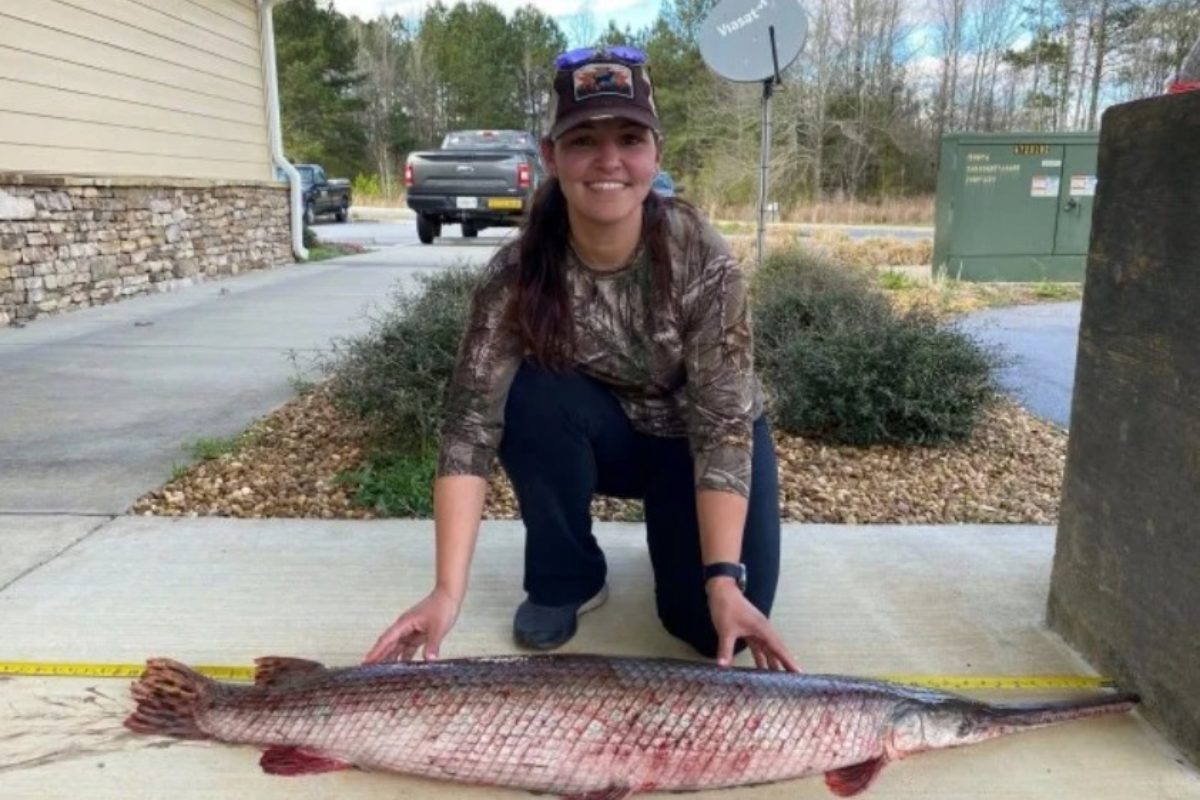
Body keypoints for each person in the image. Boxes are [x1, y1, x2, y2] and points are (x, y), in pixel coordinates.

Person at [365, 46, 799, 672]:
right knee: (526, 394)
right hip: (607, 437)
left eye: (629, 138)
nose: (608, 161)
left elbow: (724, 424)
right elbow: (468, 429)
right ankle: (566, 578)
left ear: (657, 152)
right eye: (583, 141)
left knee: (707, 629)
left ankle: (686, 544)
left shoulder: (699, 254)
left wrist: (724, 580)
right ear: (550, 158)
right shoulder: (514, 273)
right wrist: (445, 594)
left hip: (697, 444)